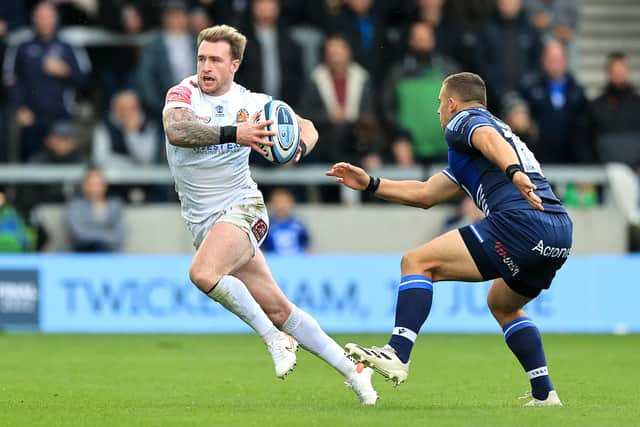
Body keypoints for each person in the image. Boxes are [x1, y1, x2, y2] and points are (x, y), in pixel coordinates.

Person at [161, 24, 377, 405]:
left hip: (244, 207)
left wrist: (299, 148)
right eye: (201, 58)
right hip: (203, 222)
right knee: (278, 307)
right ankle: (355, 373)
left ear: (234, 65)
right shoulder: (183, 93)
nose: (205, 67)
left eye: (215, 60)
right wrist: (235, 134)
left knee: (202, 273)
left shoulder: (254, 103)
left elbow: (306, 126)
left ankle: (275, 340)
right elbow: (177, 131)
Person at [327, 72, 572, 407]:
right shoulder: (476, 151)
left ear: (452, 103)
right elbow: (426, 193)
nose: (439, 112)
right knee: (503, 304)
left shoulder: (465, 121)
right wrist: (370, 183)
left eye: (440, 103)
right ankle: (545, 393)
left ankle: (397, 352)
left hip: (521, 223)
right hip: (558, 231)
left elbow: (486, 137)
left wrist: (513, 172)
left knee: (416, 262)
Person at [3, 1, 90, 160]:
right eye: (40, 17)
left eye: (48, 17)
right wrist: (19, 107)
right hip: (31, 116)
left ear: (56, 18)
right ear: (33, 19)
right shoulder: (22, 45)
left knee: (64, 159)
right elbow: (10, 78)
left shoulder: (69, 45)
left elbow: (85, 79)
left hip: (62, 115)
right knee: (31, 162)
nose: (44, 21)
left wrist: (66, 71)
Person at [66, 167, 125, 253]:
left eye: (98, 184)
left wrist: (92, 232)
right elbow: (78, 233)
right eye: (91, 184)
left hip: (109, 254)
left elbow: (119, 235)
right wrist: (106, 234)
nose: (94, 188)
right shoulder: (75, 206)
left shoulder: (115, 205)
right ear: (84, 185)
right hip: (81, 254)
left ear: (105, 185)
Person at [262, 187, 310, 255]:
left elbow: (308, 246)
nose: (281, 206)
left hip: (297, 261)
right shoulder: (267, 225)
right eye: (277, 202)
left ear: (291, 203)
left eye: (284, 202)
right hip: (273, 261)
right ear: (271, 204)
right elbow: (261, 248)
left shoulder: (299, 224)